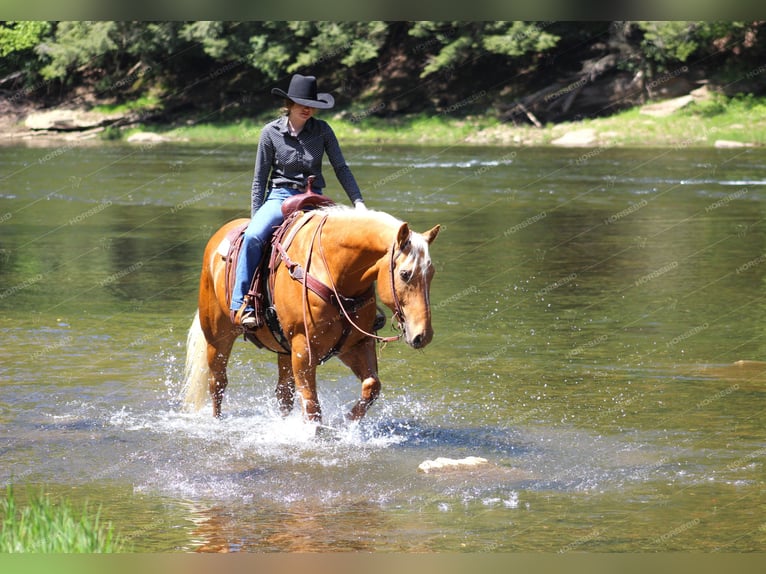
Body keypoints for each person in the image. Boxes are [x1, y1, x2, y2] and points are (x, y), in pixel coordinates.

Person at [231, 73, 367, 327]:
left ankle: (364, 306)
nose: (307, 109)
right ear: (289, 104)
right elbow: (259, 179)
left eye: (311, 104)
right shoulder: (270, 133)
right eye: (301, 103)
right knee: (252, 237)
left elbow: (341, 167)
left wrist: (358, 203)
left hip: (316, 197)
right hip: (281, 196)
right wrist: (255, 214)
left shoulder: (323, 130)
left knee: (353, 239)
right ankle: (242, 303)